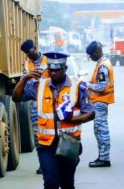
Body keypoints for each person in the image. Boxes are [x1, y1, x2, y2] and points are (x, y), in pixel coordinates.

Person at [13, 51, 95, 188]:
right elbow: (16, 98)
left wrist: (72, 119)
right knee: (51, 182)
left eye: (57, 70)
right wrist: (25, 78)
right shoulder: (39, 86)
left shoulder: (77, 87)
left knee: (67, 183)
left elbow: (90, 113)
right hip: (46, 145)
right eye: (50, 69)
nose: (53, 73)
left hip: (69, 143)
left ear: (65, 69)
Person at [13, 39, 49, 175]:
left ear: (35, 47)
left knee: (53, 136)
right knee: (38, 138)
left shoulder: (49, 60)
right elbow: (25, 85)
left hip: (49, 104)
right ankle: (43, 164)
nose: (29, 55)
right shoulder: (28, 65)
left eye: (30, 52)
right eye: (27, 54)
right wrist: (28, 78)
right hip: (36, 107)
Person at [85, 41, 115, 168]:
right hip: (98, 101)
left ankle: (104, 158)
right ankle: (102, 156)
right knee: (99, 130)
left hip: (100, 101)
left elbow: (102, 86)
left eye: (91, 55)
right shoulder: (101, 63)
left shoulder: (103, 66)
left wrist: (86, 85)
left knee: (101, 130)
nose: (90, 58)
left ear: (97, 52)